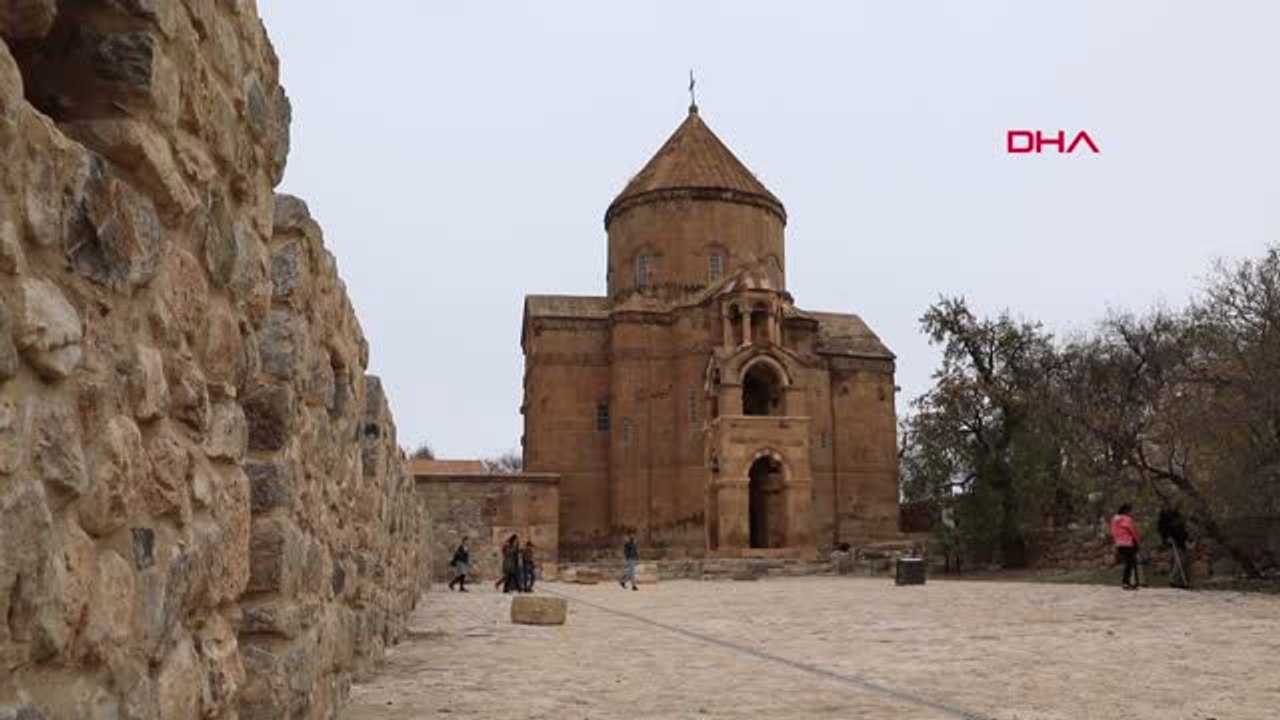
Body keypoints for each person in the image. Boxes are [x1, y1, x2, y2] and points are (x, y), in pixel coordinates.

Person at [1157, 502, 1190, 589]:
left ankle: (1179, 581)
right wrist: (1167, 537)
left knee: (1182, 559)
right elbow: (1162, 529)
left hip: (1181, 540)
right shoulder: (1165, 515)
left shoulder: (1178, 515)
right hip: (1173, 539)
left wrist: (1186, 537)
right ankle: (1173, 580)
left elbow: (1182, 528)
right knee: (1180, 559)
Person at [1110, 503, 1141, 590]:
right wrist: (1138, 541)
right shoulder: (1127, 519)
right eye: (1130, 511)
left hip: (1119, 543)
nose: (1131, 513)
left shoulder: (1114, 520)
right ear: (1125, 511)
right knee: (1130, 563)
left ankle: (1128, 581)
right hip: (1128, 543)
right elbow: (1133, 531)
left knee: (1127, 563)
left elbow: (1113, 532)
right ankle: (1126, 582)